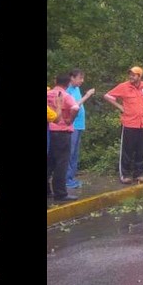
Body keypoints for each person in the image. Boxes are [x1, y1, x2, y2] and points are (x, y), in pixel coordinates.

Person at [104, 66, 143, 184]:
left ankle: (138, 174)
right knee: (127, 150)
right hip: (129, 123)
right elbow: (107, 96)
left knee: (142, 149)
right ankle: (124, 174)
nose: (131, 76)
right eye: (130, 74)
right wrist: (120, 107)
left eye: (134, 75)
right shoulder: (124, 86)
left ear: (139, 76)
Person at [47, 75, 80, 203]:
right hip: (62, 131)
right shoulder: (65, 95)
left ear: (55, 81)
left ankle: (48, 191)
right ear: (67, 84)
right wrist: (70, 120)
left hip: (51, 131)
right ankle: (60, 194)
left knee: (50, 162)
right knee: (62, 163)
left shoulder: (49, 93)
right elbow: (75, 107)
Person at [66, 69, 97, 189]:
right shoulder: (67, 90)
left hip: (79, 125)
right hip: (71, 125)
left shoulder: (77, 88)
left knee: (75, 153)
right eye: (80, 78)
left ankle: (71, 177)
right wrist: (87, 95)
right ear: (72, 78)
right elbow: (74, 106)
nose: (82, 81)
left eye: (82, 78)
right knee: (69, 152)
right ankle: (66, 179)